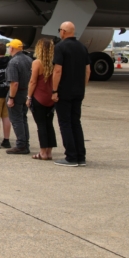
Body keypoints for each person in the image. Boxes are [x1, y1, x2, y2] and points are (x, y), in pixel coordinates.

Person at [52, 21, 91, 167]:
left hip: (64, 91)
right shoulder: (82, 47)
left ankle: (71, 157)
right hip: (78, 91)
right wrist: (82, 87)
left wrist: (54, 90)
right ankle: (81, 156)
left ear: (63, 31)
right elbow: (88, 71)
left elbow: (57, 70)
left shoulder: (60, 47)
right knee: (76, 122)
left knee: (65, 123)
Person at [26, 38, 57, 161]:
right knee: (49, 124)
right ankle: (49, 151)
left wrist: (29, 97)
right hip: (51, 97)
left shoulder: (37, 63)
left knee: (41, 125)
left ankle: (42, 152)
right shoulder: (54, 63)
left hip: (39, 97)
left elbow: (33, 81)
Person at [5, 39, 33, 154]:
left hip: (16, 92)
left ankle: (21, 144)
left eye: (9, 47)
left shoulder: (13, 62)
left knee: (16, 119)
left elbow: (14, 83)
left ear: (12, 48)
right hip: (26, 92)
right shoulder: (29, 59)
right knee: (23, 118)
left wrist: (11, 98)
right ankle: (25, 142)